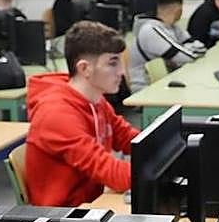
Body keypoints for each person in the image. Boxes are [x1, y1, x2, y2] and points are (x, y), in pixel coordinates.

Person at [25, 21, 137, 207]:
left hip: (91, 205)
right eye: (112, 63)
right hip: (62, 220)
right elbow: (112, 173)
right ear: (84, 68)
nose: (122, 72)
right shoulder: (57, 115)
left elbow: (130, 139)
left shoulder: (96, 100)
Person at [129, 0, 205, 91]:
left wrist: (185, 48)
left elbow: (200, 47)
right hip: (143, 90)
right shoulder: (151, 31)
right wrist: (185, 49)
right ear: (178, 10)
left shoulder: (171, 26)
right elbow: (187, 57)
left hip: (162, 84)